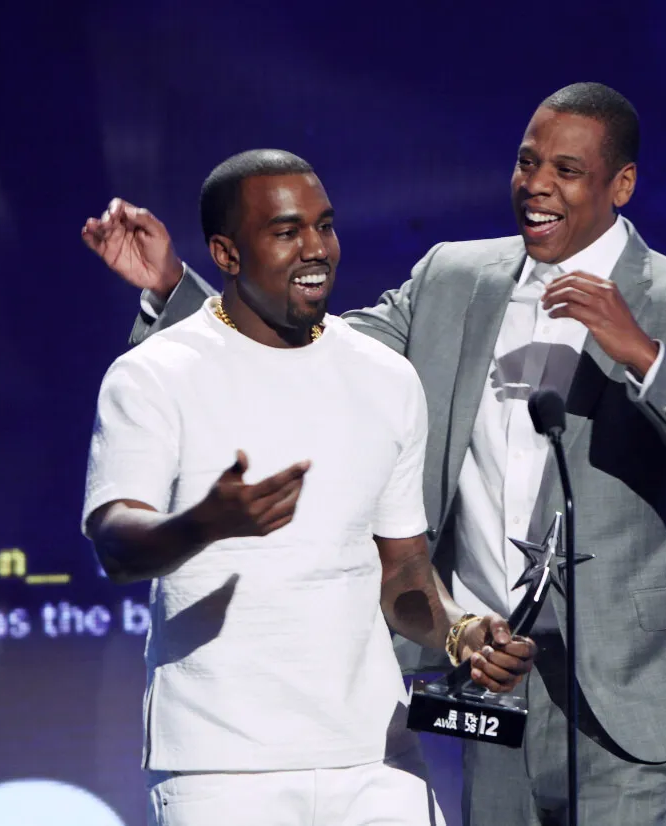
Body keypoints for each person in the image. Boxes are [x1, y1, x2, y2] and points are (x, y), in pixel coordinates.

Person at [85, 83, 666, 826]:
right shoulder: (453, 279)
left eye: (567, 171)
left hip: (622, 688)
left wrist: (645, 356)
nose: (537, 186)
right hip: (487, 673)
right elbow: (309, 357)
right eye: (526, 163)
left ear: (622, 184)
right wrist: (174, 289)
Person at [80, 149, 536, 826]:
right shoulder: (155, 374)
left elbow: (403, 572)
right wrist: (202, 523)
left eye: (325, 226)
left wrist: (461, 632)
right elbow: (115, 541)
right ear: (226, 254)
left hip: (375, 758)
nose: (317, 249)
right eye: (288, 232)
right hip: (222, 767)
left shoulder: (384, 378)